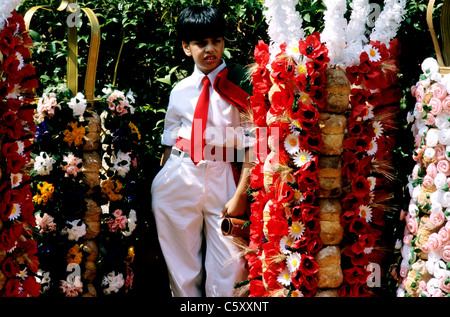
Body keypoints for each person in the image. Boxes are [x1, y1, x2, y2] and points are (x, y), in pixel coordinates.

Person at [151, 4, 254, 297]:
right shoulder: (180, 90)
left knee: (232, 268)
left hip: (222, 177)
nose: (210, 49)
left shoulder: (241, 84)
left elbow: (253, 147)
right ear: (186, 47)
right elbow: (169, 142)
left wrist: (240, 195)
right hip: (179, 177)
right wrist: (163, 183)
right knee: (181, 269)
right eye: (200, 43)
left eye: (216, 41)